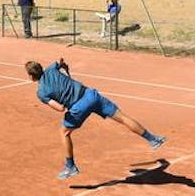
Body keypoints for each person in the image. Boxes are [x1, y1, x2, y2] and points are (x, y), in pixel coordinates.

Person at [26, 57, 165, 180]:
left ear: (32, 76)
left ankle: (71, 167)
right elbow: (61, 61)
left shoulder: (41, 92)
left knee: (64, 132)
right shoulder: (51, 68)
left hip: (77, 107)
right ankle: (153, 139)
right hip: (90, 95)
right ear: (41, 68)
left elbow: (60, 108)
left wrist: (63, 97)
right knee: (122, 118)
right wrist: (66, 70)